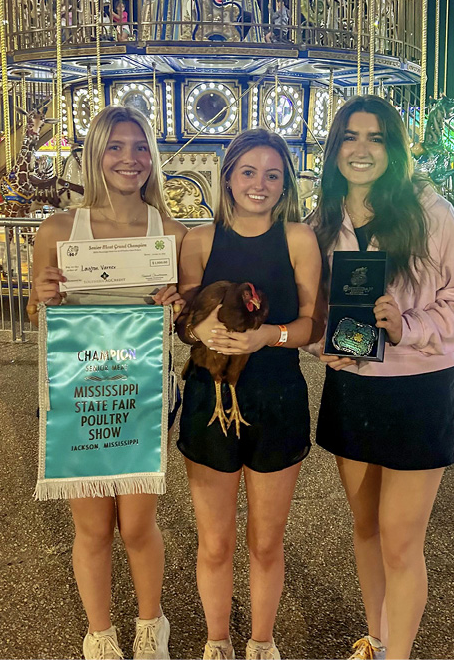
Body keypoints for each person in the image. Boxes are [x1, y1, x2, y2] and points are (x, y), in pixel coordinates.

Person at [308, 95, 454, 660]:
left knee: (401, 539)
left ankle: (398, 654)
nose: (361, 150)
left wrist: (409, 326)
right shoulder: (323, 221)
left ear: (394, 148)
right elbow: (315, 308)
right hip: (353, 389)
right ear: (335, 147)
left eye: (376, 138)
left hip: (419, 391)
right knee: (366, 530)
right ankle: (378, 638)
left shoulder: (428, 212)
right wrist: (322, 346)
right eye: (351, 137)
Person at [27, 105, 187, 660]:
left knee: (138, 525)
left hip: (143, 394)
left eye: (140, 147)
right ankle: (100, 635)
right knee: (92, 527)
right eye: (116, 146)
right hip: (80, 394)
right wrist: (43, 295)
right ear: (96, 155)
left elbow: (188, 322)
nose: (129, 158)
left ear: (153, 158)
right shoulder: (57, 230)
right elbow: (34, 311)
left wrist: (180, 304)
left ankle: (151, 627)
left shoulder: (170, 231)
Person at [176, 128, 323, 660]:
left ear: (284, 184)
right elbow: (182, 318)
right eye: (248, 172)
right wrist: (199, 331)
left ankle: (262, 641)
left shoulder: (298, 239)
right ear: (228, 176)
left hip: (277, 396)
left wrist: (268, 335)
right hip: (208, 395)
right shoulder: (199, 240)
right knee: (215, 541)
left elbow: (310, 324)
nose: (259, 185)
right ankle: (218, 640)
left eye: (272, 175)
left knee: (266, 540)